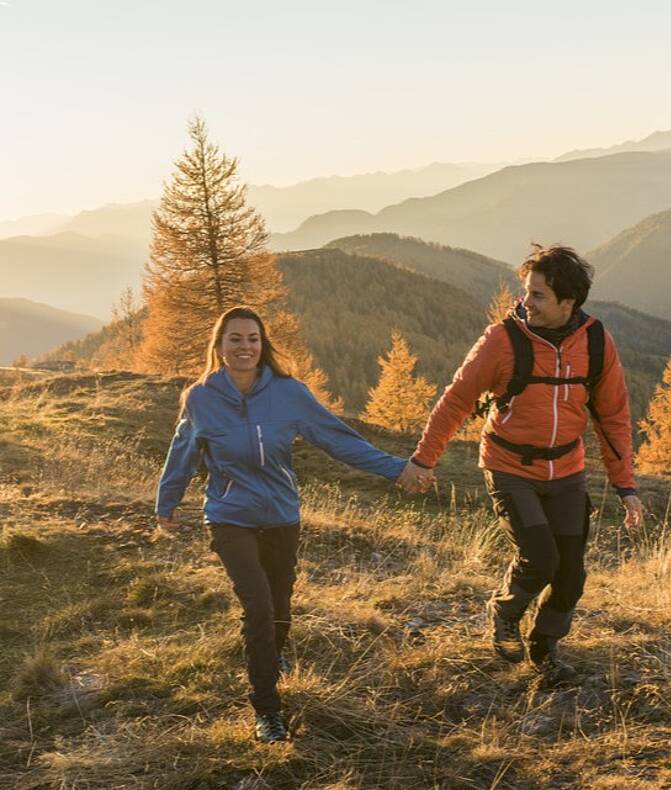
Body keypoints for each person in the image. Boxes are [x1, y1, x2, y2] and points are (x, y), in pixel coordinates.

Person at [155, 306, 420, 743]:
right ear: (219, 348)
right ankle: (267, 709)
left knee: (279, 607)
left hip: (281, 516)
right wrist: (167, 503)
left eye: (252, 339)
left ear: (263, 345)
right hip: (229, 517)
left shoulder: (289, 393)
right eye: (234, 339)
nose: (244, 347)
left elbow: (339, 440)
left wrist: (396, 469)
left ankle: (271, 655)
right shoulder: (200, 397)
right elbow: (181, 452)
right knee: (257, 608)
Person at [399, 244, 643, 683]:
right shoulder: (502, 340)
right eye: (527, 292)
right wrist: (424, 460)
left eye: (538, 296)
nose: (525, 302)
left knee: (571, 573)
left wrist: (626, 488)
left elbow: (613, 417)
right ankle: (505, 612)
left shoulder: (594, 341)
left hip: (567, 471)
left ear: (569, 303)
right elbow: (457, 400)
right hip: (510, 466)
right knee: (540, 556)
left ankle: (545, 648)